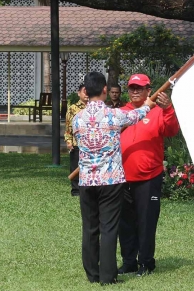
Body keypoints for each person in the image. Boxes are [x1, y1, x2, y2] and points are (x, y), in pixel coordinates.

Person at [72, 71, 155, 285]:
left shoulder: (77, 118)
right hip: (110, 180)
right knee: (108, 228)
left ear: (85, 91)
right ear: (104, 90)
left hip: (87, 180)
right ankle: (108, 277)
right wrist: (148, 104)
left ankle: (92, 274)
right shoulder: (114, 115)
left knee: (90, 227)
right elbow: (136, 116)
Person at [118, 74, 179, 277]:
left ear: (148, 90)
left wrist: (168, 108)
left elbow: (171, 130)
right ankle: (129, 261)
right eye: (132, 88)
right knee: (125, 223)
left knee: (146, 222)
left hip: (148, 177)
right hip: (122, 177)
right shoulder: (121, 113)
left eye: (140, 88)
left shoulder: (157, 111)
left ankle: (146, 262)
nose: (135, 91)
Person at [64, 83, 88, 196]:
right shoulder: (73, 109)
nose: (87, 94)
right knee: (75, 168)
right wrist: (68, 141)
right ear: (79, 93)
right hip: (77, 143)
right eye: (84, 91)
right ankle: (76, 190)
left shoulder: (94, 107)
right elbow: (68, 127)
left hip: (90, 144)